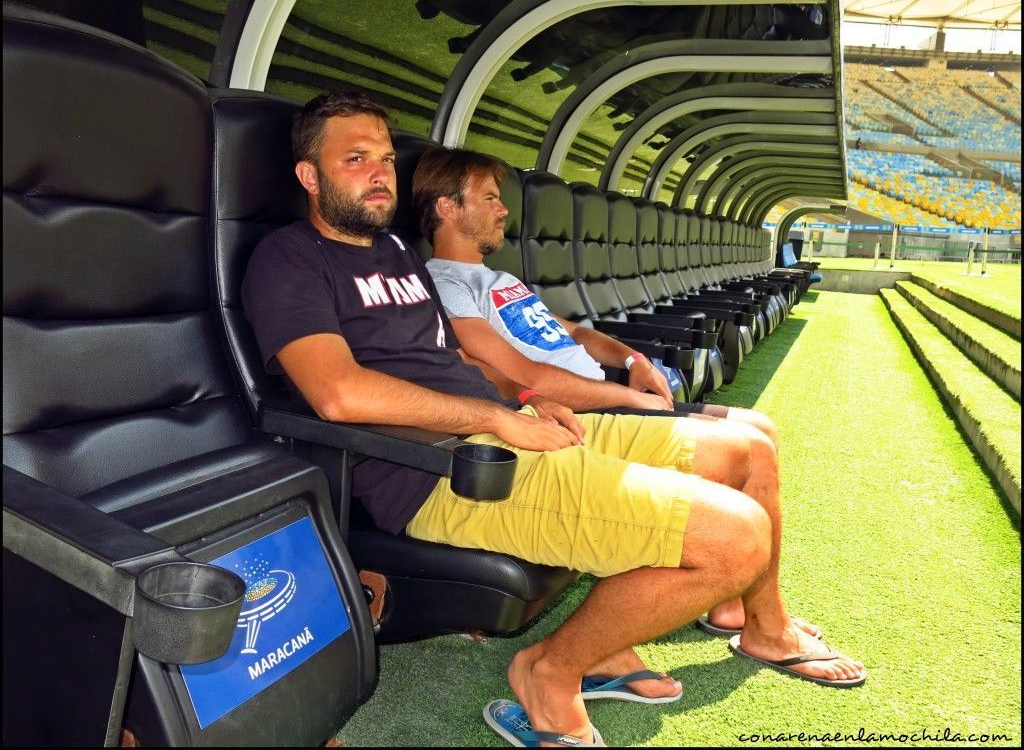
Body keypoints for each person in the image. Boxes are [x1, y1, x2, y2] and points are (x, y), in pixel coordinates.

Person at [241, 90, 866, 747]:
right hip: (442, 469)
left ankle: (739, 630)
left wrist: (522, 397)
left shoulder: (395, 254)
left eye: (386, 159)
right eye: (355, 159)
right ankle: (549, 671)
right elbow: (337, 395)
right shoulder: (288, 258)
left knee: (745, 450)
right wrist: (497, 418)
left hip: (504, 428)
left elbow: (455, 357)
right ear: (309, 176)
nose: (379, 174)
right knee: (738, 539)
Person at [415, 146, 779, 449]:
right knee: (752, 446)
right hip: (580, 414)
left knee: (762, 427)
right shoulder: (445, 285)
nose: (504, 210)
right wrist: (628, 397)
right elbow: (524, 376)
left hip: (607, 392)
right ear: (447, 207)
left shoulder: (500, 278)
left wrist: (634, 360)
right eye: (491, 198)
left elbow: (573, 333)